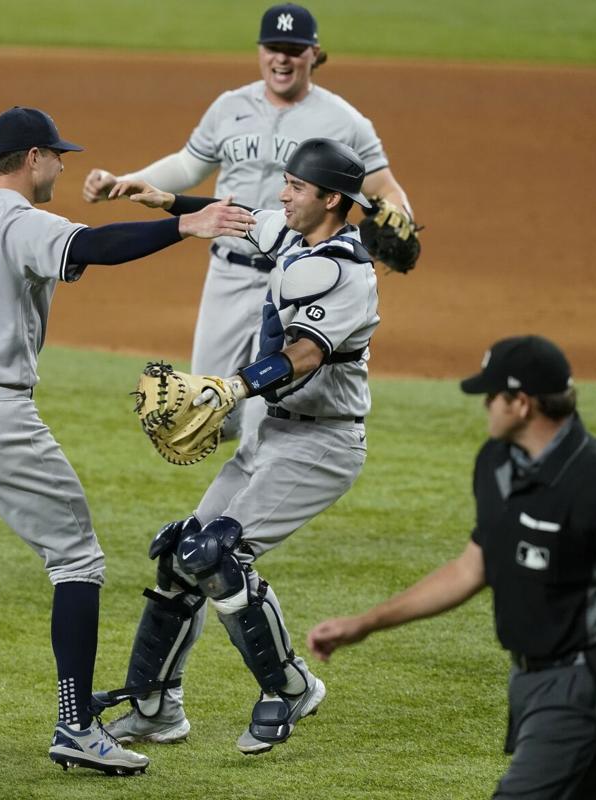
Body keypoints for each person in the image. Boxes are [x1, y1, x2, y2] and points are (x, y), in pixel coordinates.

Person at [0, 106, 253, 775]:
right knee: (77, 559)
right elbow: (92, 249)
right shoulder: (21, 222)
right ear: (30, 159)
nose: (62, 164)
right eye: (58, 155)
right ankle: (76, 726)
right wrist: (187, 225)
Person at [95, 138, 379, 754]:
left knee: (218, 555)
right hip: (268, 435)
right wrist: (166, 200)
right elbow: (243, 218)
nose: (283, 193)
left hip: (321, 447)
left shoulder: (344, 271)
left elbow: (305, 353)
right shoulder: (295, 235)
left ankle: (291, 687)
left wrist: (231, 386)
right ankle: (154, 707)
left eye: (296, 187)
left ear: (331, 199)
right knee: (179, 556)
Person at [82, 2, 412, 487]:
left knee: (267, 408)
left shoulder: (345, 122)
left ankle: (235, 531)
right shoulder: (229, 106)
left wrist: (402, 217)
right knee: (207, 408)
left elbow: (385, 186)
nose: (282, 59)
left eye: (293, 51)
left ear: (314, 54)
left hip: (296, 280)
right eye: (273, 49)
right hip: (228, 271)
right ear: (259, 52)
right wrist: (131, 180)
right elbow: (189, 164)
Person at [306, 334, 596, 798]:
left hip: (587, 685)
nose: (485, 406)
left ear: (522, 403)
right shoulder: (497, 464)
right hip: (531, 680)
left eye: (491, 396)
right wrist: (365, 624)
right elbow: (471, 568)